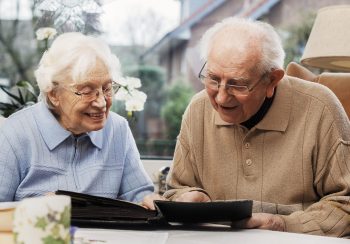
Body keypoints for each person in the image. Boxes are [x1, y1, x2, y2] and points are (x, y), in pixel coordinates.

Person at [164, 17, 350, 237]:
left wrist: (283, 225)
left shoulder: (321, 108)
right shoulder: (198, 109)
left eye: (237, 84)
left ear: (272, 80)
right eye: (213, 78)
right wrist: (187, 198)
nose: (221, 98)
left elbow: (344, 205)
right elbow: (175, 191)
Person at [0, 32, 161, 209]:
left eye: (107, 89)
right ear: (54, 94)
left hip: (107, 237)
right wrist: (37, 210)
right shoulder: (15, 133)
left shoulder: (118, 129)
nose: (101, 103)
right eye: (86, 91)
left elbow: (140, 196)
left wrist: (152, 202)